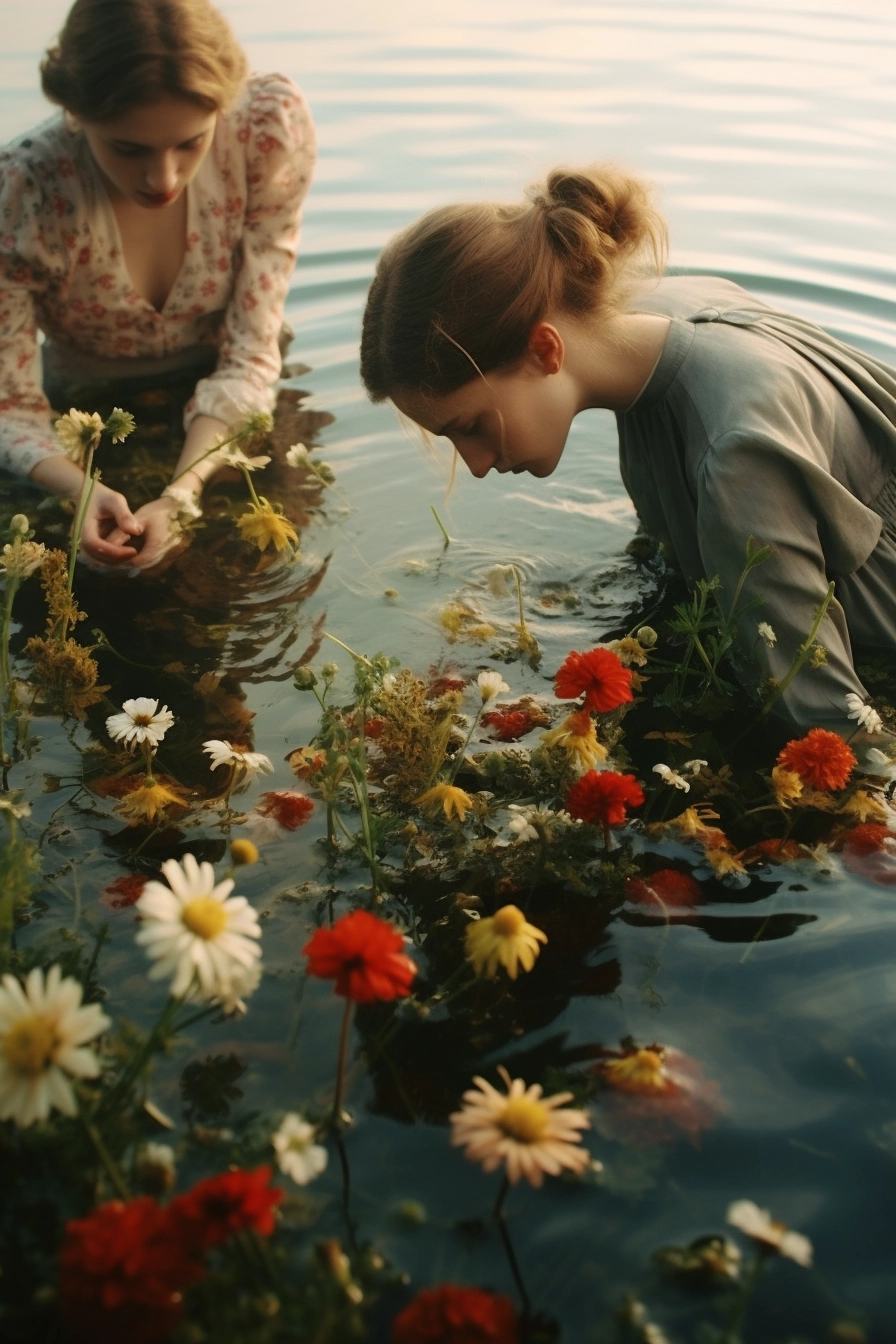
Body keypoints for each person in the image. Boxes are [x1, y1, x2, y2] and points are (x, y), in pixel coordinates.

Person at [358, 165, 896, 752]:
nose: (479, 464)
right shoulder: (654, 313)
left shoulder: (738, 453)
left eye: (471, 427)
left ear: (544, 348)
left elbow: (831, 727)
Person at [0, 0, 315, 569]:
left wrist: (181, 495)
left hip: (238, 388)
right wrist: (79, 489)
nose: (163, 178)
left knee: (257, 565)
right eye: (128, 148)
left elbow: (249, 351)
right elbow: (10, 406)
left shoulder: (262, 135)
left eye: (190, 142)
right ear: (75, 110)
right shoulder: (27, 191)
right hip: (88, 411)